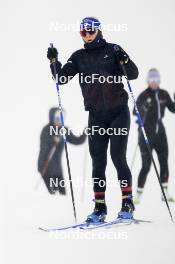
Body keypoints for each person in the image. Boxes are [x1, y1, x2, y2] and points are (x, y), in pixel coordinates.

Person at [47, 17, 139, 222]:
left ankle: (127, 203)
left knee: (118, 157)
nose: (87, 35)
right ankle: (99, 208)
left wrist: (125, 59)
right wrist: (54, 61)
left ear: (98, 30)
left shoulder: (114, 49)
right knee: (98, 161)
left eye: (90, 31)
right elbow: (60, 79)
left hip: (118, 113)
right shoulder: (78, 57)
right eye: (83, 32)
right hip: (96, 115)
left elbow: (132, 74)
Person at [133, 68, 175, 204]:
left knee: (164, 162)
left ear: (159, 80)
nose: (154, 82)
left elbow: (173, 109)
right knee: (146, 165)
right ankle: (138, 194)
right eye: (152, 80)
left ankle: (165, 193)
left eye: (156, 80)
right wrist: (144, 106)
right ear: (148, 81)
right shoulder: (144, 95)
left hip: (160, 134)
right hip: (146, 133)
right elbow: (135, 111)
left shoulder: (163, 94)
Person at [38, 107, 86, 195]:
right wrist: (54, 140)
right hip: (45, 167)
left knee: (62, 195)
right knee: (53, 195)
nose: (59, 121)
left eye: (61, 119)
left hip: (57, 170)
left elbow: (76, 141)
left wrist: (84, 133)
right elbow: (44, 146)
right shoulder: (46, 130)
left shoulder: (64, 130)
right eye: (57, 118)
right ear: (52, 117)